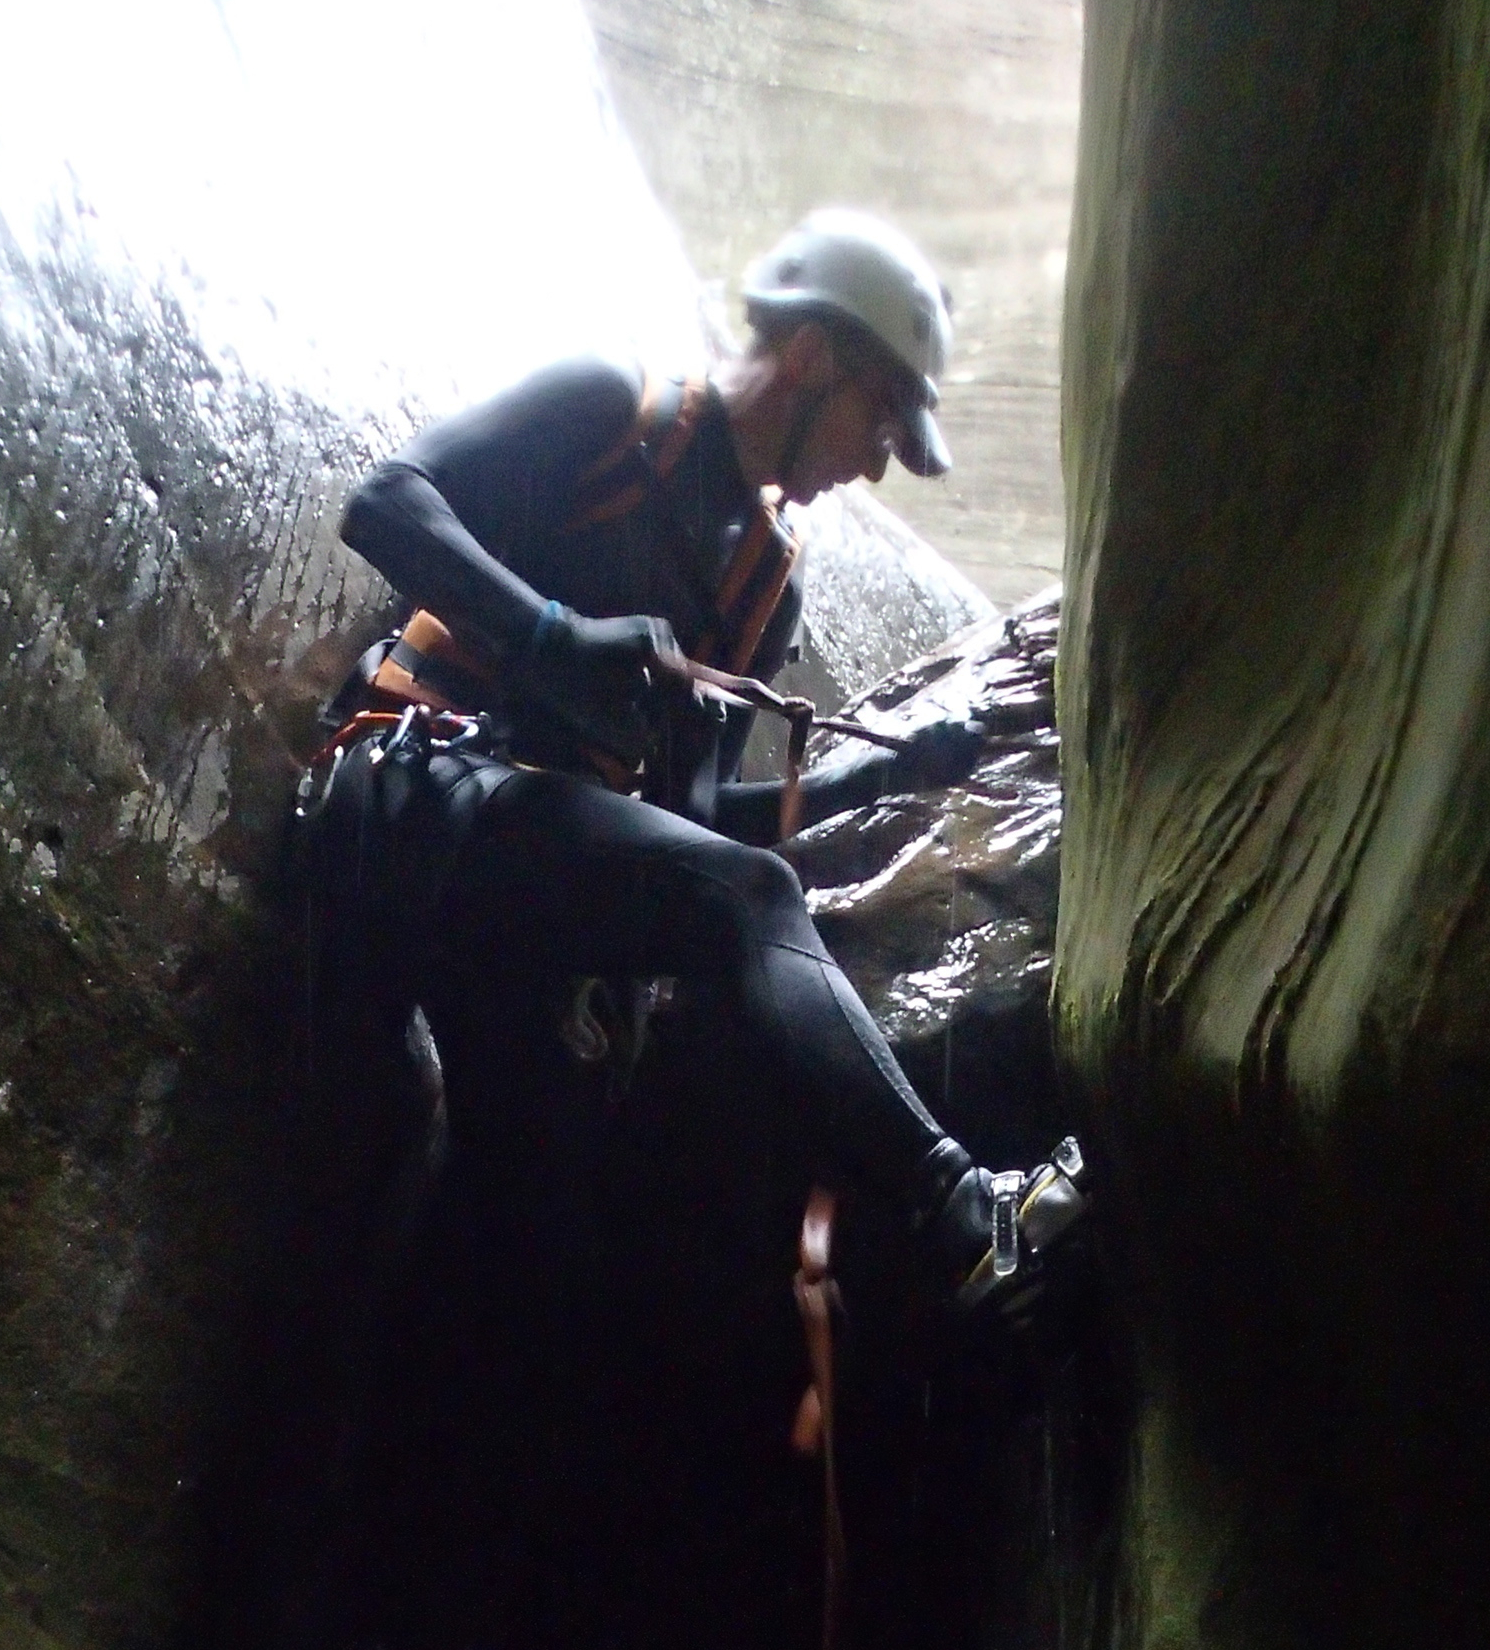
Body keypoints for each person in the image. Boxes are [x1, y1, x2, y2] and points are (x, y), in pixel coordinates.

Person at [303, 209, 1083, 1309]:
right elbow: (386, 502)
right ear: (811, 356)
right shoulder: (614, 413)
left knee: (533, 1229)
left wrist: (890, 771)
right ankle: (963, 1212)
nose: (875, 463)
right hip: (406, 793)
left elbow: (697, 828)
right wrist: (549, 637)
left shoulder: (763, 586)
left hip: (515, 882)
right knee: (751, 900)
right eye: (879, 418)